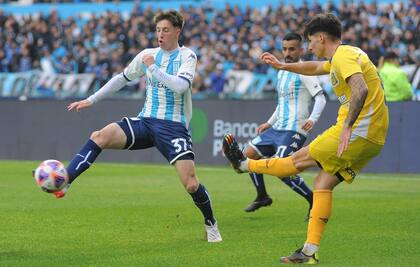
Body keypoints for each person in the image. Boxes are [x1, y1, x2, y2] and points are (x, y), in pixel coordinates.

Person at [223, 13, 388, 264]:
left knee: (295, 162)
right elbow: (313, 68)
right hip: (373, 138)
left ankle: (243, 165)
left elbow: (360, 88)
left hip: (357, 131)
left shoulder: (343, 56)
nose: (309, 47)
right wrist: (283, 65)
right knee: (322, 184)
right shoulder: (343, 56)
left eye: (310, 41)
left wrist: (347, 127)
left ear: (321, 38)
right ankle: (309, 251)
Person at [49, 10, 222, 243]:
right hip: (145, 121)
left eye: (166, 30)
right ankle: (66, 179)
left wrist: (152, 69)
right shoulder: (147, 55)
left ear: (177, 31)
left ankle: (211, 223)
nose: (160, 34)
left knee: (191, 184)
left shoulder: (187, 56)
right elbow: (121, 78)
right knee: (100, 136)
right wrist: (91, 99)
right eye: (158, 30)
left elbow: (180, 87)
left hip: (173, 127)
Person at [242, 32, 326, 216]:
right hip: (278, 128)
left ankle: (312, 200)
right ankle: (262, 196)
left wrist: (313, 119)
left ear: (301, 50)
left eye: (292, 49)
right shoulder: (281, 71)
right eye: (285, 49)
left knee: (281, 169)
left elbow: (320, 98)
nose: (287, 53)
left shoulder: (305, 69)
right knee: (247, 156)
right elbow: (283, 103)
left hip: (294, 129)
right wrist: (269, 123)